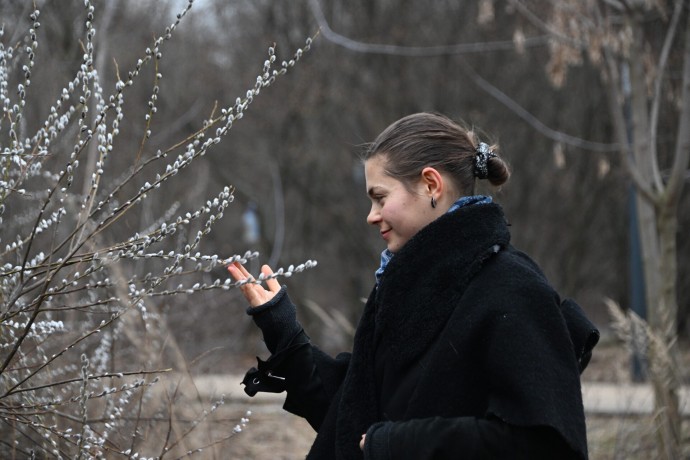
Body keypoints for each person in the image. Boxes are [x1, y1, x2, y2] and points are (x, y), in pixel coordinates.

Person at [227, 112, 599, 459]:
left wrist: (396, 443)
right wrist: (284, 331)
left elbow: (542, 443)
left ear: (430, 184)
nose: (371, 216)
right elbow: (354, 422)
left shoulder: (511, 288)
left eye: (380, 197)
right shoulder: (404, 286)